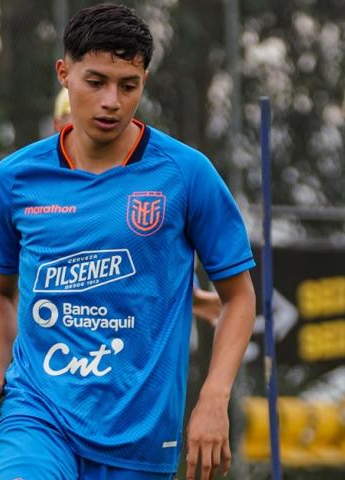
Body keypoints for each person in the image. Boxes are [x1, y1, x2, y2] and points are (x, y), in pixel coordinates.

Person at [0, 4, 256, 479]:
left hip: (139, 435)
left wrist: (213, 398)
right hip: (37, 413)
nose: (111, 102)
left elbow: (239, 298)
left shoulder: (187, 174)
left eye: (128, 86)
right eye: (96, 81)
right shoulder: (16, 179)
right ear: (64, 73)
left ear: (144, 81)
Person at [53, 87, 223, 325]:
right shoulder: (36, 180)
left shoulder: (131, 178)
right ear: (58, 124)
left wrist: (191, 293)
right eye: (71, 118)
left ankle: (188, 294)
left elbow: (152, 248)